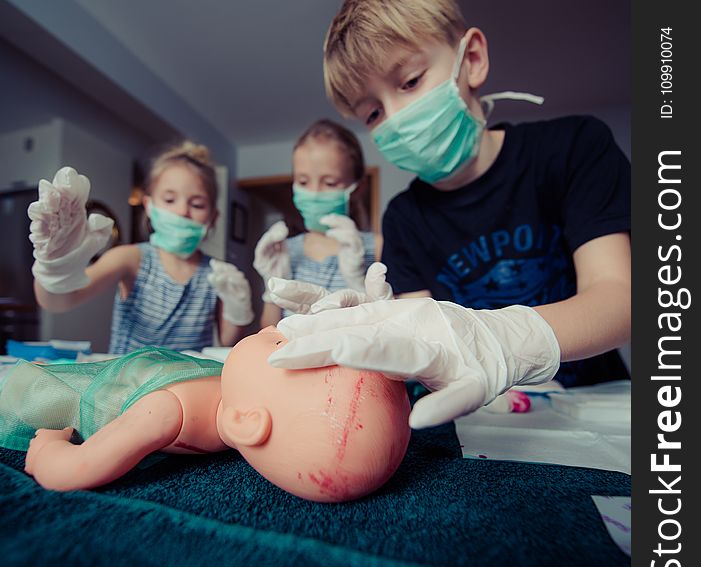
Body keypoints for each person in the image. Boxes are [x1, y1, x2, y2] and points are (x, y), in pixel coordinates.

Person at [267, 0, 631, 429]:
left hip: (597, 405)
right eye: (373, 112)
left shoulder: (573, 148)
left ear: (471, 59)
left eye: (411, 81)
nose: (396, 118)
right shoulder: (402, 220)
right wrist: (387, 332)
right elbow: (425, 346)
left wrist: (507, 341)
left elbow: (618, 297)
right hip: (483, 418)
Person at [0, 328, 410, 502]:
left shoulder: (164, 413)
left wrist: (48, 449)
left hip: (74, 389)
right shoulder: (240, 392)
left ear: (245, 421)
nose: (275, 326)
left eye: (281, 342)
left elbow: (74, 470)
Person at [29, 142, 254, 353]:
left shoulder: (218, 274)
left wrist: (239, 310)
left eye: (197, 204)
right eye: (169, 200)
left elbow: (227, 341)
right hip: (129, 388)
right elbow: (60, 302)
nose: (183, 211)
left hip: (187, 388)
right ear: (148, 206)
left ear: (213, 217)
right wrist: (55, 265)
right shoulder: (130, 259)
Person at [253, 119, 386, 328]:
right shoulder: (286, 250)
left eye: (330, 182)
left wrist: (358, 282)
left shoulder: (376, 247)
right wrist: (271, 289)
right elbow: (268, 332)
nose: (314, 193)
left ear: (357, 188)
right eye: (303, 182)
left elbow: (392, 329)